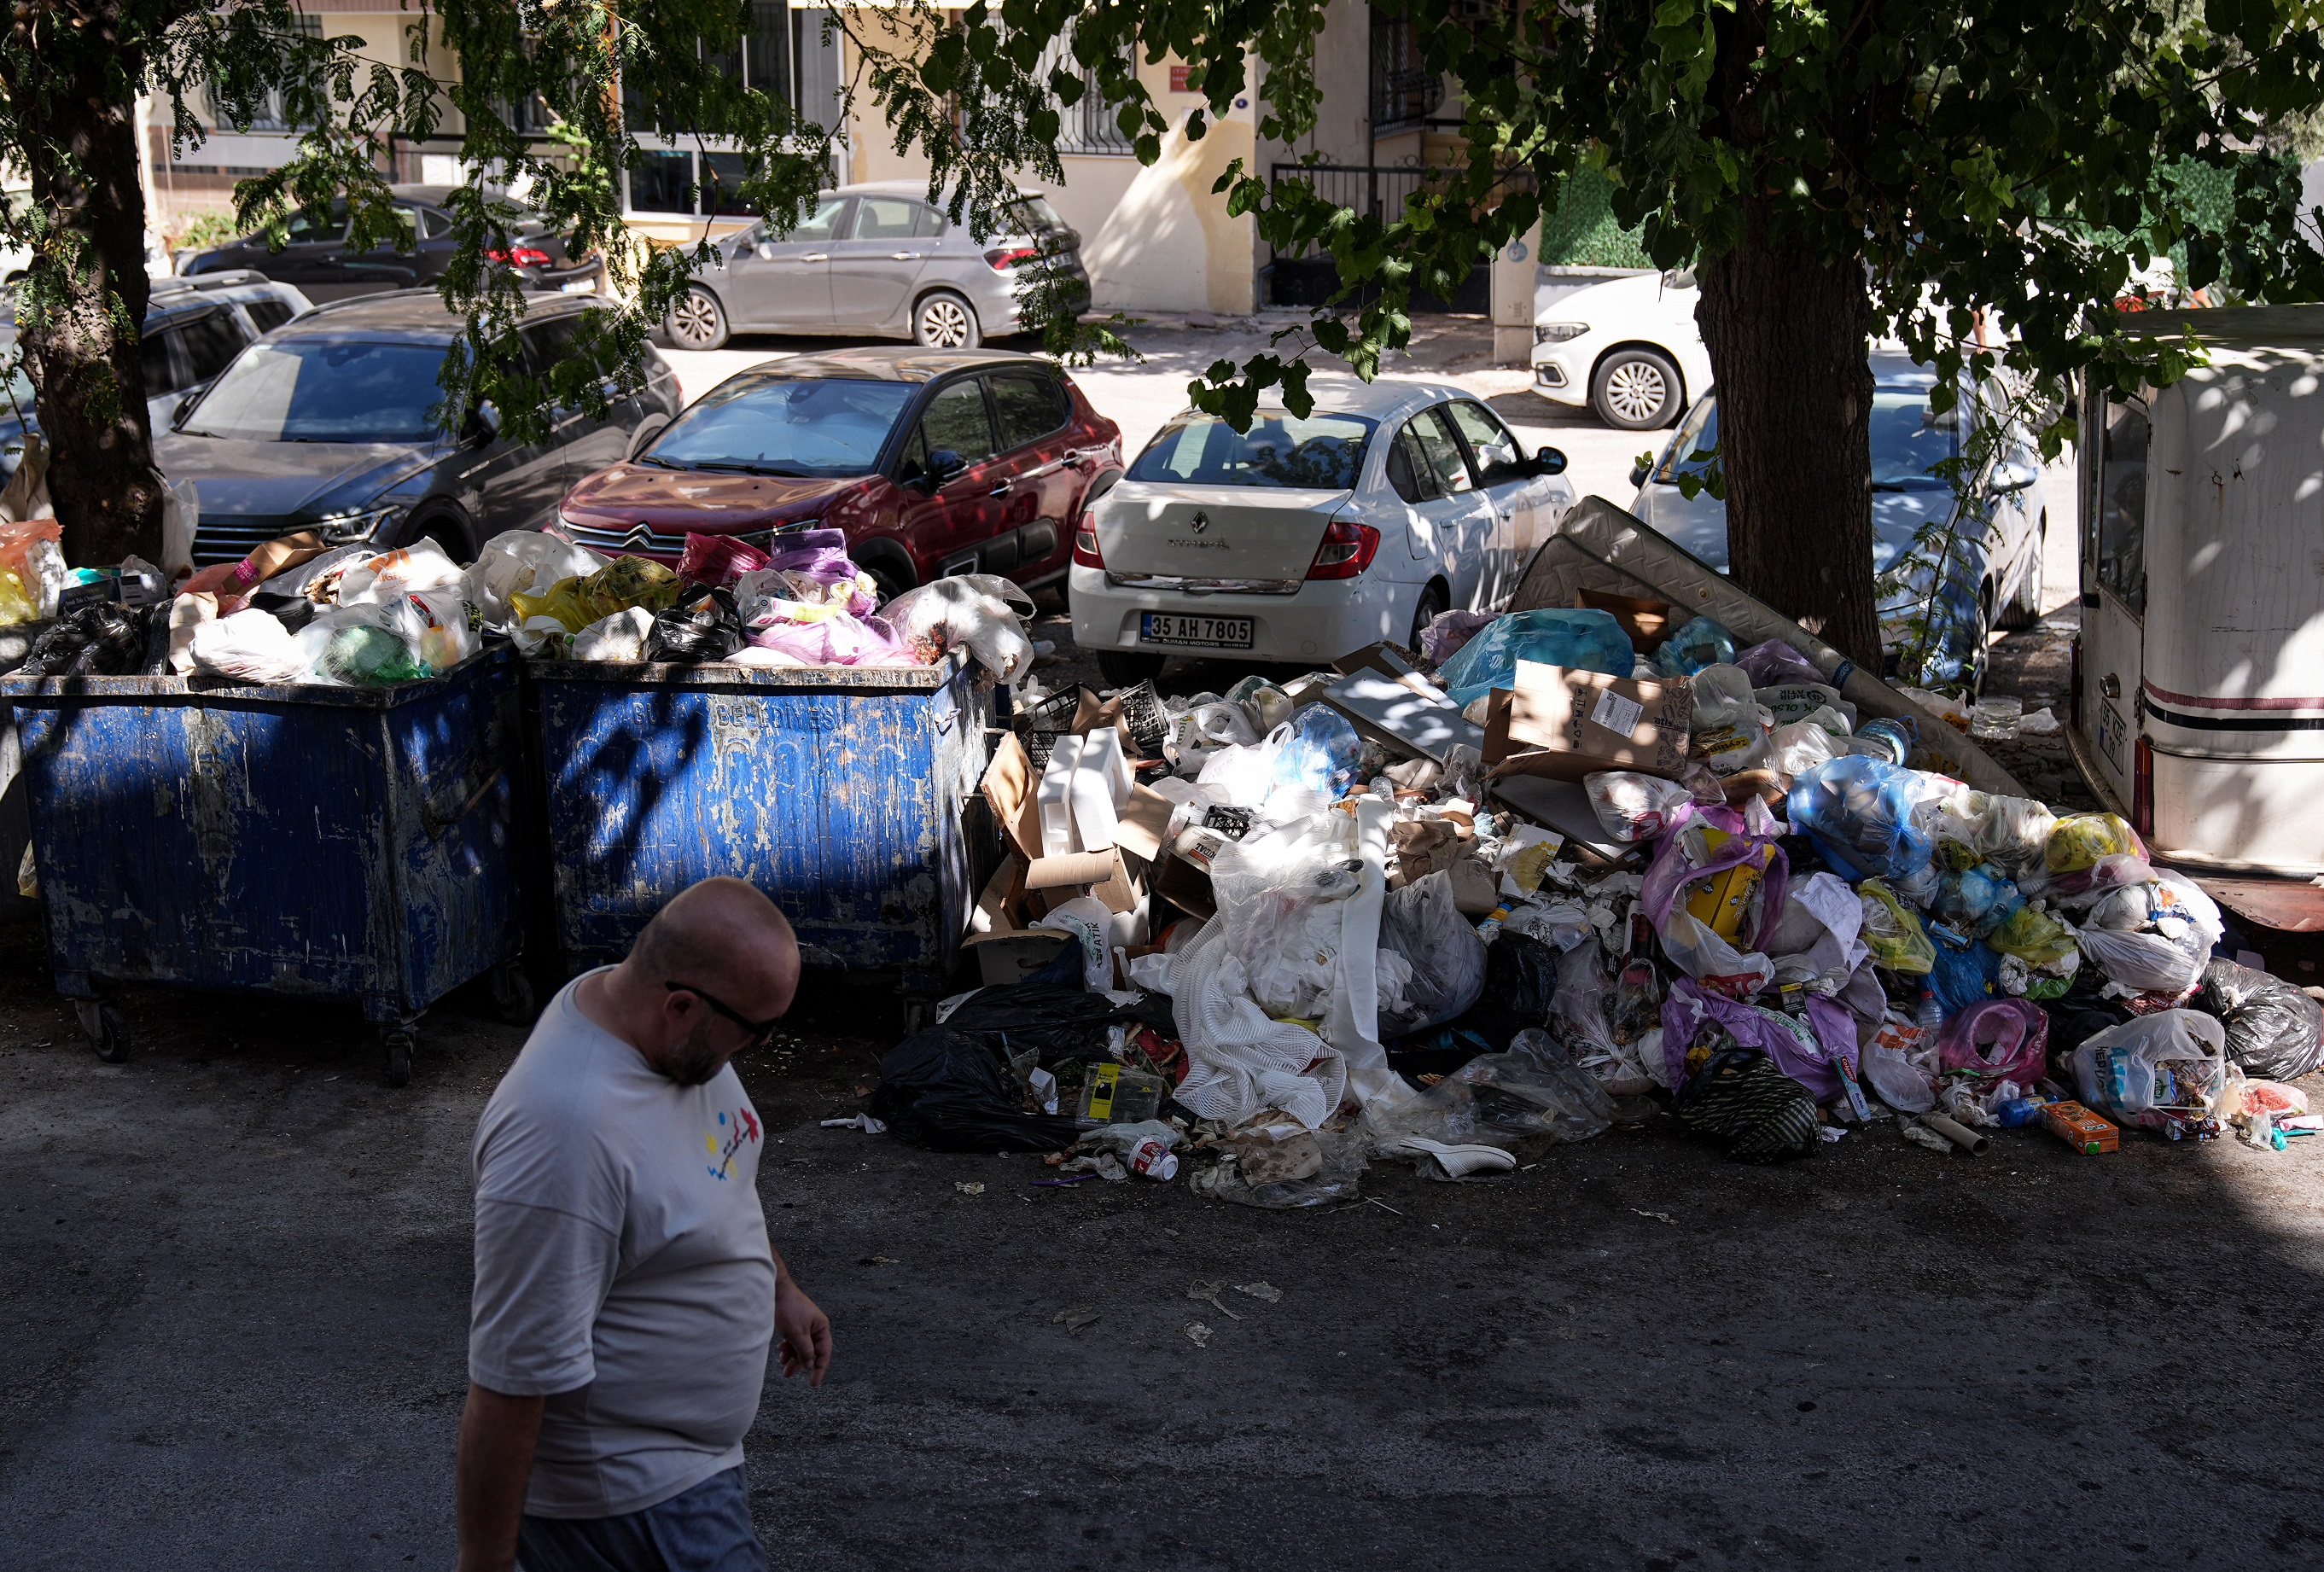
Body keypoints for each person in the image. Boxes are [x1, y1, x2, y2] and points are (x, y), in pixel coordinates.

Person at [456, 876, 831, 1572]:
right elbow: (509, 1381)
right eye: (755, 1032)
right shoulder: (564, 1132)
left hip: (695, 1467)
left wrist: (779, 1285)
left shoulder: (655, 1026)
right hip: (628, 1498)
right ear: (681, 1004)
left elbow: (714, 1172)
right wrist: (484, 1566)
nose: (756, 1048)